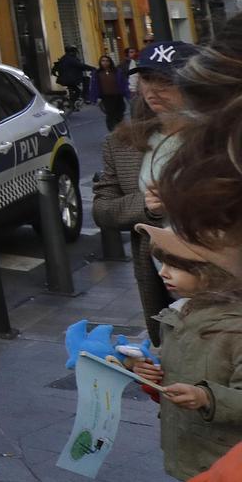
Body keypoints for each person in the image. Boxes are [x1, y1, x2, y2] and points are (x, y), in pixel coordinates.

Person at [121, 224, 242, 482]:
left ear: (211, 272)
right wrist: (147, 370)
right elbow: (172, 360)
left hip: (224, 449)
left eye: (176, 266)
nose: (163, 273)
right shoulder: (180, 313)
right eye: (162, 263)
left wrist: (206, 396)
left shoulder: (234, 328)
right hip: (194, 439)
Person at [93, 41, 198, 346]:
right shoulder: (123, 143)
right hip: (161, 278)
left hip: (223, 276)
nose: (153, 91)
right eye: (147, 80)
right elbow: (102, 209)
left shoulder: (221, 135)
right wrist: (147, 205)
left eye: (166, 81)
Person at [52, 45, 94, 111]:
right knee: (85, 80)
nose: (76, 53)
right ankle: (85, 97)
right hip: (70, 79)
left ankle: (72, 104)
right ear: (73, 51)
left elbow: (75, 67)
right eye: (75, 52)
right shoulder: (71, 59)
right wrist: (92, 68)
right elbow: (80, 65)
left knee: (76, 90)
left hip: (64, 79)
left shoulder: (64, 58)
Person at [95, 55, 127, 130]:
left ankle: (122, 130)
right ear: (100, 62)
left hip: (118, 95)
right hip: (106, 96)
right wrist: (97, 97)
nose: (105, 63)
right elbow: (95, 86)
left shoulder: (116, 71)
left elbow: (123, 82)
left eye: (107, 61)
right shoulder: (97, 73)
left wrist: (125, 92)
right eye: (103, 61)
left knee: (120, 113)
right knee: (110, 114)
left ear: (110, 62)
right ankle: (112, 131)